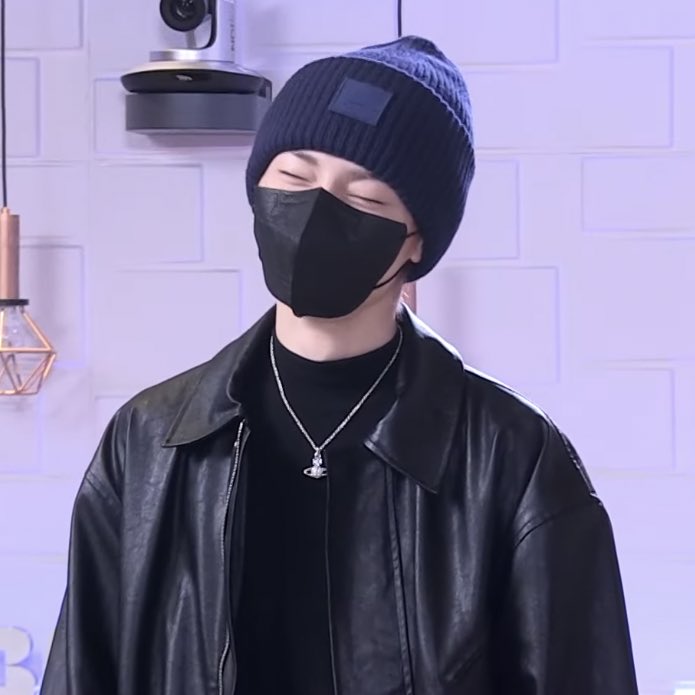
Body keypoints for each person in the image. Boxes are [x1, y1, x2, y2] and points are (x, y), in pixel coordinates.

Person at [42, 35, 638, 695]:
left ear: (416, 242)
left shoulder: (513, 458)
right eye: (295, 178)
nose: (318, 209)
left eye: (366, 199)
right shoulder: (150, 441)